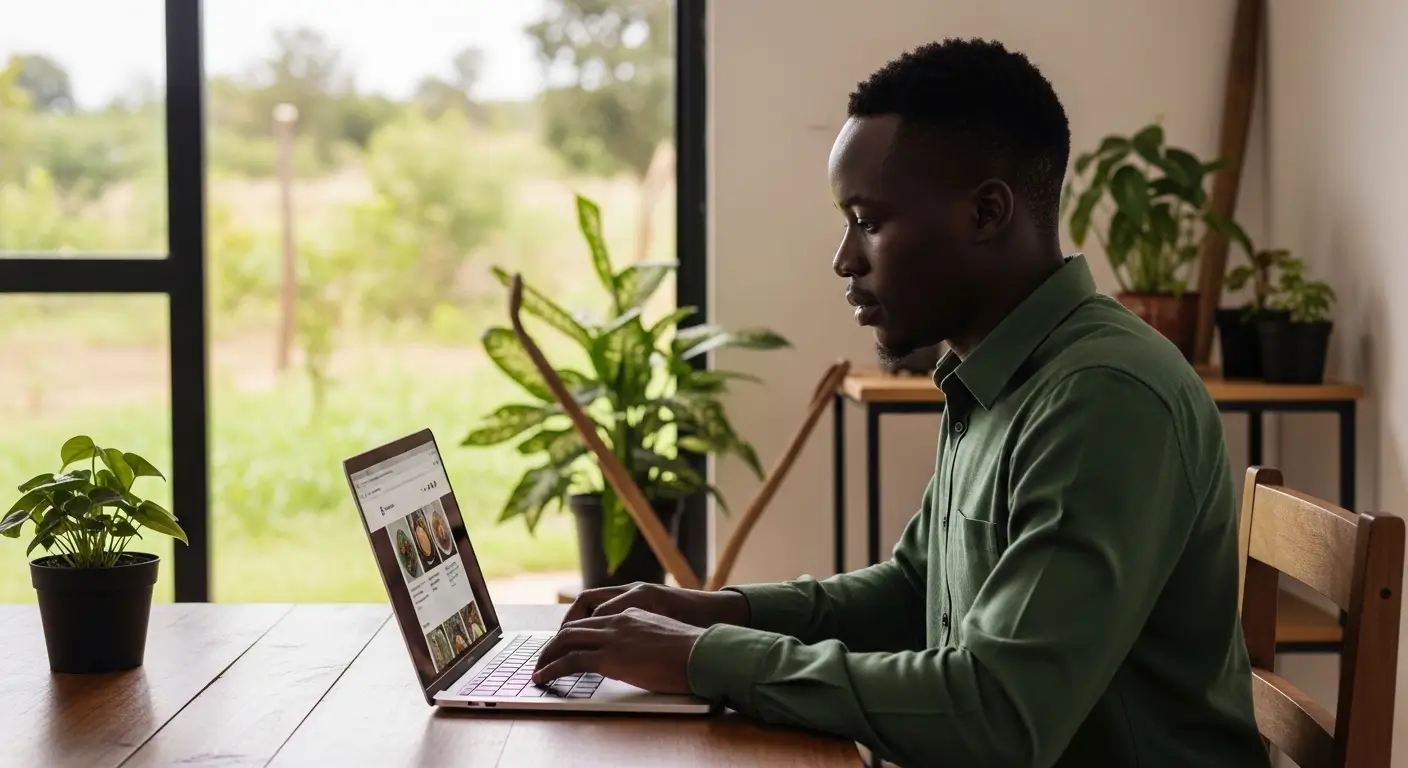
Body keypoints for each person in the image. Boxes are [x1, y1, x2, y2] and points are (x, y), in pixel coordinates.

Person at [532, 38, 1269, 768]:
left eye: (870, 220)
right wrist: (718, 611)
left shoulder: (1105, 400)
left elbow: (1000, 715)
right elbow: (917, 590)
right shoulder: (993, 374)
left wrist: (709, 658)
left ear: (986, 213)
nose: (844, 258)